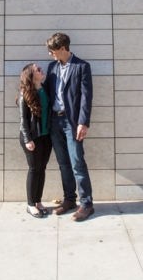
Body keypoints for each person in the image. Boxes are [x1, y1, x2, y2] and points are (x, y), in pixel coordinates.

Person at [44, 33, 95, 221]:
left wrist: (83, 122)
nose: (50, 54)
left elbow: (86, 97)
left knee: (77, 163)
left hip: (72, 123)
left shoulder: (82, 67)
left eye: (52, 51)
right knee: (63, 164)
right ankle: (69, 199)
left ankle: (87, 204)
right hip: (54, 121)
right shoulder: (52, 68)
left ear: (63, 48)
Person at [17, 63, 53, 218]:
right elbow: (22, 120)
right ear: (31, 75)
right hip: (33, 137)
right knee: (34, 169)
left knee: (42, 168)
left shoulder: (45, 89)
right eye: (38, 69)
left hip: (46, 136)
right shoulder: (24, 94)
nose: (41, 70)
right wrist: (27, 139)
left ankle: (38, 201)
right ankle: (30, 205)